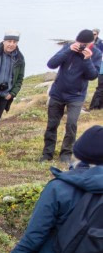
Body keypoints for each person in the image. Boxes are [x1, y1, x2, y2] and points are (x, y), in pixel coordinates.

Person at [42, 30, 101, 165]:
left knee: (71, 125)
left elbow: (92, 76)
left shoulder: (96, 54)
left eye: (84, 44)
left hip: (76, 96)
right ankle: (47, 154)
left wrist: (87, 60)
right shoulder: (67, 47)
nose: (80, 46)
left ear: (90, 44)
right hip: (58, 93)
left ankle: (66, 154)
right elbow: (51, 64)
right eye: (79, 43)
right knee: (52, 124)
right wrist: (68, 50)